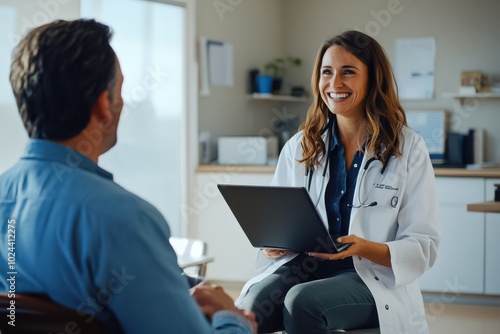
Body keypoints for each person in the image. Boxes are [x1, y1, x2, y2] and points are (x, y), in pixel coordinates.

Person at [0, 19, 256, 334]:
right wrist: (234, 320)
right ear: (104, 104)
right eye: (120, 89)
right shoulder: (123, 219)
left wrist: (172, 284)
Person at [237, 30, 440, 334]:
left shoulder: (407, 148)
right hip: (305, 265)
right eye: (327, 72)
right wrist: (273, 242)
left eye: (349, 72)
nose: (335, 84)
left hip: (369, 277)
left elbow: (424, 244)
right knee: (254, 304)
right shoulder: (300, 145)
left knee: (302, 302)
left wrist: (364, 247)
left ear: (373, 80)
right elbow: (279, 216)